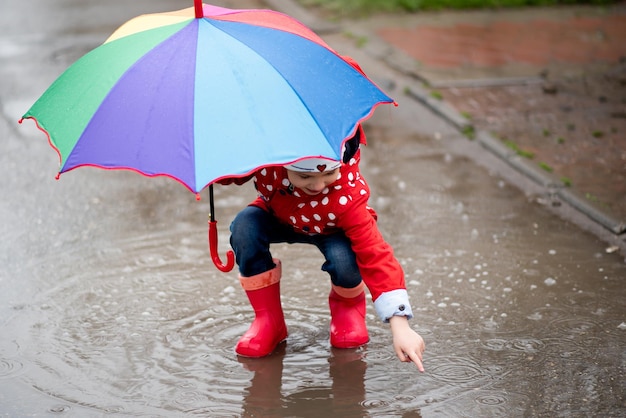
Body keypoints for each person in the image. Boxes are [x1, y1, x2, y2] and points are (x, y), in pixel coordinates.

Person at [223, 124, 425, 371]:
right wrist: (218, 164)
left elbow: (376, 255)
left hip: (333, 228)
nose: (318, 185)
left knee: (345, 257)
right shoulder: (270, 154)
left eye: (329, 174)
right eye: (305, 176)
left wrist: (401, 326)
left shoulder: (347, 199)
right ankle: (268, 320)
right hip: (278, 215)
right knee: (245, 227)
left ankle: (347, 310)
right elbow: (236, 171)